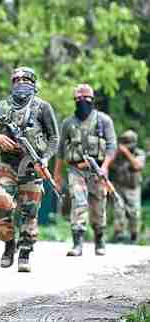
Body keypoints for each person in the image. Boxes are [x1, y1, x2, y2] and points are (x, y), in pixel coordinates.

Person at [0, 67, 59, 272]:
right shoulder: (2, 106)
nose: (20, 82)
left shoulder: (42, 107)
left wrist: (44, 158)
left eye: (25, 79)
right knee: (0, 204)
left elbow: (54, 138)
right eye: (16, 79)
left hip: (33, 166)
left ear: (33, 82)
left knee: (30, 211)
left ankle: (25, 251)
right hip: (8, 164)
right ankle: (9, 244)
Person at [54, 83, 117, 256]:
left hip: (98, 171)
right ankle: (77, 243)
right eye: (78, 98)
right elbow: (60, 150)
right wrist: (57, 175)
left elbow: (112, 146)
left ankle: (100, 241)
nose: (82, 101)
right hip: (76, 170)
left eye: (86, 98)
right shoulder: (68, 123)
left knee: (98, 206)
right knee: (78, 202)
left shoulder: (104, 121)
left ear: (92, 100)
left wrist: (104, 168)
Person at [109, 130, 146, 244]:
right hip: (119, 186)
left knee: (133, 212)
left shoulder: (139, 153)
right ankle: (119, 234)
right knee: (118, 210)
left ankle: (133, 235)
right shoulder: (117, 154)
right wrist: (115, 154)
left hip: (132, 188)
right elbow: (108, 165)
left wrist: (127, 153)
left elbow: (137, 166)